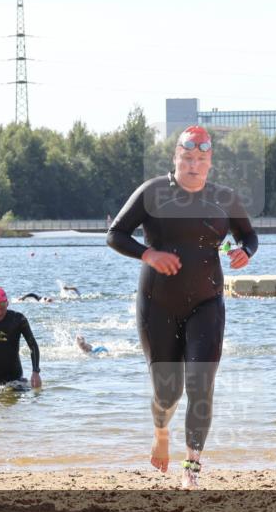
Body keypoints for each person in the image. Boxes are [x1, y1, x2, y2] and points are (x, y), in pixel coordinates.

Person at [107, 125, 258, 489]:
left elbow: (249, 236)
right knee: (168, 391)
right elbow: (115, 234)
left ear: (210, 163)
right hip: (157, 303)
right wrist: (148, 254)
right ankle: (161, 431)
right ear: (175, 158)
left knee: (201, 384)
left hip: (207, 301)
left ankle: (192, 469)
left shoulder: (224, 198)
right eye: (187, 158)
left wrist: (245, 253)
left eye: (201, 159)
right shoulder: (153, 193)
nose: (193, 165)